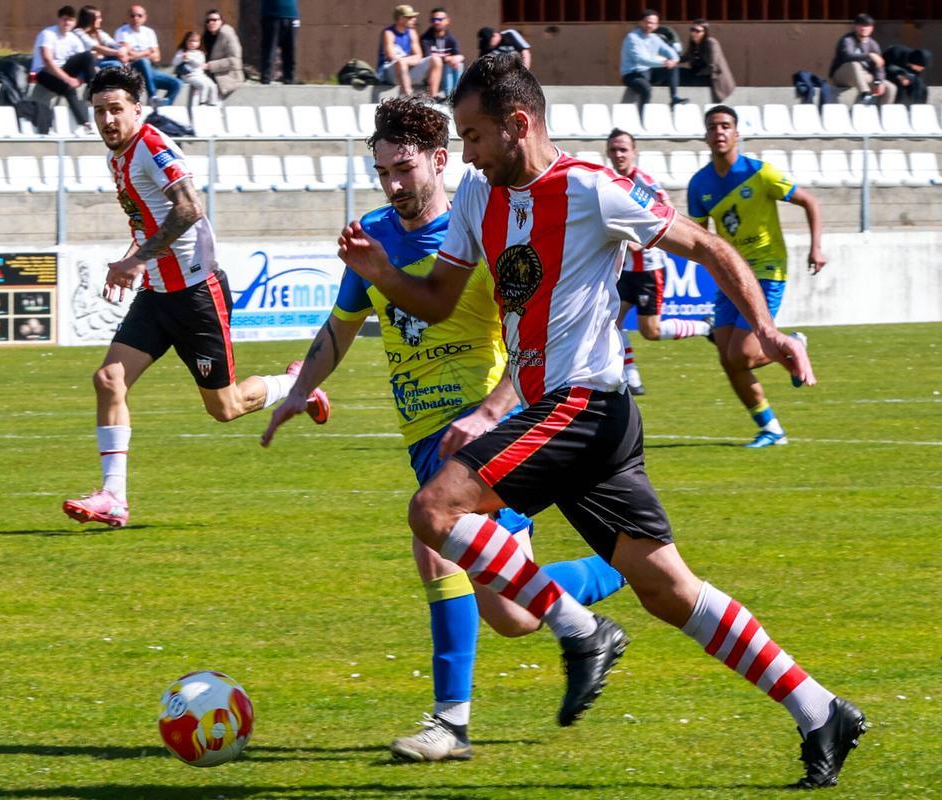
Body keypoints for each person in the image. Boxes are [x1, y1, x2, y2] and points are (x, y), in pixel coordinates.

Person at [336, 52, 865, 789]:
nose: (466, 154)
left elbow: (708, 246)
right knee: (669, 590)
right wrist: (382, 275)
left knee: (433, 509)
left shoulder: (590, 189)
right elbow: (438, 299)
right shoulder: (476, 201)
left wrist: (768, 331)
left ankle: (581, 629)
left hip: (584, 404)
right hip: (570, 418)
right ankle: (821, 710)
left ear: (518, 124)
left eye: (474, 136)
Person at [263, 95, 627, 762]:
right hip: (423, 439)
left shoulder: (482, 234)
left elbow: (533, 344)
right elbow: (341, 329)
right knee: (511, 614)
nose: (394, 186)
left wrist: (489, 411)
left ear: (439, 159)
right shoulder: (374, 233)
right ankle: (613, 573)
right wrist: (300, 389)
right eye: (383, 174)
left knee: (434, 548)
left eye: (405, 169)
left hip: (487, 433)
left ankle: (448, 726)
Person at [61, 67, 331, 529]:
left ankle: (296, 386)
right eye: (100, 110)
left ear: (138, 110)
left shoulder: (152, 146)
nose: (108, 119)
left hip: (196, 296)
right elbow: (147, 224)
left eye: (116, 109)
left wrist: (136, 259)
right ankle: (114, 497)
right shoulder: (119, 158)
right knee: (108, 379)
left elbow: (190, 207)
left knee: (224, 408)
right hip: (157, 294)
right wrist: (134, 261)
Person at [689, 105, 824, 448]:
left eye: (725, 126)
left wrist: (816, 248)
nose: (719, 131)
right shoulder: (699, 185)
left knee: (744, 355)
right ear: (706, 136)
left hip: (766, 270)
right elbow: (700, 237)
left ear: (736, 133)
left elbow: (810, 201)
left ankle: (793, 342)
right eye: (713, 127)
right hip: (730, 275)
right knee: (728, 358)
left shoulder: (760, 174)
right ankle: (771, 428)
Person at [605, 128, 711, 396]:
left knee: (650, 330)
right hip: (625, 269)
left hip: (649, 269)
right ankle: (631, 378)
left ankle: (706, 325)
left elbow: (666, 215)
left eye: (623, 149)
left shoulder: (644, 184)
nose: (618, 154)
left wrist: (638, 242)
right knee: (609, 322)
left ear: (634, 152)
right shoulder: (609, 183)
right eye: (614, 150)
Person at [31, 5, 96, 133]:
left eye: (70, 20)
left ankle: (93, 91)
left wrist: (80, 79)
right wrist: (67, 79)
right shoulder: (48, 34)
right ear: (59, 20)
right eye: (64, 19)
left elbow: (85, 61)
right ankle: (85, 123)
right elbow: (47, 61)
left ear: (74, 22)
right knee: (68, 89)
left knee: (88, 55)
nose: (67, 23)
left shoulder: (73, 38)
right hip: (44, 73)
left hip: (63, 70)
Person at [113, 6, 181, 106]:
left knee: (176, 83)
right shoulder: (122, 32)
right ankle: (152, 96)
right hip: (131, 70)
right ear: (128, 17)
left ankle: (161, 107)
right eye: (133, 15)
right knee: (143, 61)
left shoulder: (149, 32)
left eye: (139, 15)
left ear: (145, 17)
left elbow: (157, 57)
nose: (136, 18)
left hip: (149, 70)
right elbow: (127, 55)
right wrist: (148, 52)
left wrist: (138, 54)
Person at [620, 9, 686, 109]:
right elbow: (641, 59)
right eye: (648, 22)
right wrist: (664, 63)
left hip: (648, 72)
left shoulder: (655, 38)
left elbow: (671, 52)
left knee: (673, 67)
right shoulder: (632, 37)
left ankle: (674, 98)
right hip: (632, 74)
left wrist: (674, 60)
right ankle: (642, 117)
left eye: (654, 23)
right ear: (641, 22)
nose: (650, 25)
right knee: (646, 89)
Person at [829, 13, 896, 106]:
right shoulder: (847, 39)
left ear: (871, 28)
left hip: (863, 75)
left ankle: (881, 115)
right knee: (854, 64)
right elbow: (847, 56)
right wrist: (869, 56)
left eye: (867, 26)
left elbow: (879, 67)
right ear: (855, 26)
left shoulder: (873, 44)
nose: (864, 28)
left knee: (890, 88)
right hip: (842, 74)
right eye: (861, 25)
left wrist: (878, 81)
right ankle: (865, 94)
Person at [377, 5, 443, 98]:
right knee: (401, 63)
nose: (414, 19)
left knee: (436, 60)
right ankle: (408, 97)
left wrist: (407, 61)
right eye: (410, 17)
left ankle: (434, 97)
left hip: (406, 70)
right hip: (389, 73)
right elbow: (391, 56)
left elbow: (419, 56)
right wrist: (409, 60)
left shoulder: (412, 32)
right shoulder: (388, 33)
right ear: (401, 18)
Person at [678, 19, 735, 103]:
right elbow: (685, 57)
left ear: (705, 32)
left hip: (713, 79)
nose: (694, 33)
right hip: (699, 75)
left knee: (684, 77)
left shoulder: (711, 43)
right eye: (692, 30)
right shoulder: (694, 45)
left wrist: (699, 73)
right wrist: (672, 60)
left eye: (697, 31)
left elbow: (713, 66)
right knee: (678, 72)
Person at [420, 8, 463, 98]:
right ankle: (449, 97)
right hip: (430, 73)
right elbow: (429, 59)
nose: (437, 22)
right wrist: (447, 59)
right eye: (433, 19)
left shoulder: (451, 38)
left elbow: (459, 55)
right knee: (447, 66)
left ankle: (456, 96)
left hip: (445, 71)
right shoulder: (425, 38)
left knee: (459, 64)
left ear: (447, 21)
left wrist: (455, 59)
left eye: (440, 19)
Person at [202, 10, 245, 99]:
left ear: (221, 21)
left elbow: (235, 61)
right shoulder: (206, 37)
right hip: (210, 76)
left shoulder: (228, 35)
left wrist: (210, 66)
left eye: (214, 20)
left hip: (228, 77)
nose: (211, 23)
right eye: (208, 21)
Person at [75, 5, 129, 71]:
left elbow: (112, 43)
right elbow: (96, 47)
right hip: (91, 64)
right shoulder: (78, 32)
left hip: (102, 60)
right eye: (98, 17)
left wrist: (123, 48)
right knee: (115, 63)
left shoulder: (98, 32)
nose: (100, 20)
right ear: (90, 19)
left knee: (141, 62)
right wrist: (117, 52)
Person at [172, 31, 219, 106]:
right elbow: (174, 62)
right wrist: (181, 58)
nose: (193, 43)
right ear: (186, 41)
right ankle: (202, 102)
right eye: (191, 41)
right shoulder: (182, 51)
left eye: (196, 41)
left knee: (213, 85)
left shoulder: (200, 53)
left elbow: (200, 63)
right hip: (188, 76)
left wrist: (190, 58)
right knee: (203, 85)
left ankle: (212, 103)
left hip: (200, 75)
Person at [259, 0, 299, 85]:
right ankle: (266, 83)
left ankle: (290, 82)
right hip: (272, 15)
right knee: (269, 53)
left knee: (291, 54)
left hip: (292, 15)